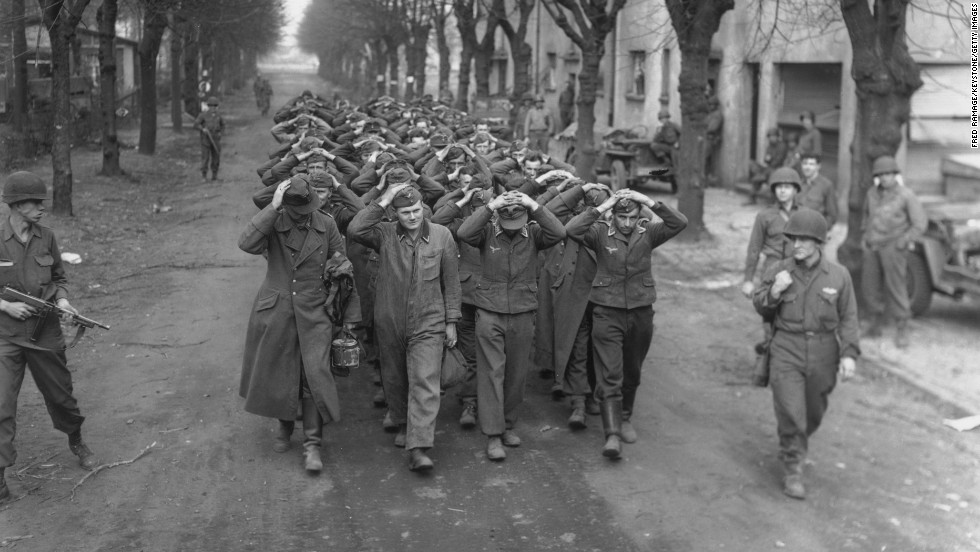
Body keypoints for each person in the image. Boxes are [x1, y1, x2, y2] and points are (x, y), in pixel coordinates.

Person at [238, 175, 355, 474]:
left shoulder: (326, 224)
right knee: (282, 371)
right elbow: (246, 243)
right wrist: (273, 206)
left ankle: (313, 444)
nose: (304, 216)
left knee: (313, 373)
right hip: (278, 308)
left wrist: (350, 320)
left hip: (315, 310)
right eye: (295, 210)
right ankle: (285, 427)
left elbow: (344, 269)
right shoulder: (273, 222)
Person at [565, 189, 688, 459]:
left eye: (632, 216)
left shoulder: (649, 232)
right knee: (610, 373)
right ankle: (612, 434)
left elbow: (680, 223)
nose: (627, 223)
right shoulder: (598, 233)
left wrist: (649, 201)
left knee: (632, 369)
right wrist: (603, 206)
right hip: (606, 312)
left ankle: (626, 416)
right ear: (613, 215)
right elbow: (571, 229)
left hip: (641, 311)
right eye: (621, 217)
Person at [0, 172, 100, 503]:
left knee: (61, 397)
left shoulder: (48, 237)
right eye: (35, 202)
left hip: (45, 334)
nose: (43, 207)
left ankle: (76, 438)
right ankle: (0, 478)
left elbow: (58, 277)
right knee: (1, 404)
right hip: (7, 335)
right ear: (16, 205)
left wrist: (64, 301)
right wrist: (6, 306)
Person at [348, 184, 461, 472]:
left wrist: (451, 322)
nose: (412, 217)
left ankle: (419, 447)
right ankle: (401, 421)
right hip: (390, 319)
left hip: (429, 319)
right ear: (394, 213)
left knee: (425, 379)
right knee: (395, 377)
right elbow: (355, 229)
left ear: (424, 207)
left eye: (416, 210)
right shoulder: (384, 233)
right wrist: (382, 199)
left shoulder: (441, 236)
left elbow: (451, 282)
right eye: (405, 212)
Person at [753, 208, 859, 499]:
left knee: (813, 412)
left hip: (825, 351)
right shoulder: (779, 270)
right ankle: (793, 467)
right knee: (791, 410)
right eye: (792, 239)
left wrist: (849, 354)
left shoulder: (838, 276)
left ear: (819, 243)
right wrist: (774, 291)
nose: (796, 245)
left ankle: (794, 444)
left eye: (803, 240)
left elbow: (849, 317)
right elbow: (760, 305)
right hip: (786, 347)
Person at [457, 189, 566, 461]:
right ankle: (493, 435)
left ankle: (508, 425)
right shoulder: (486, 233)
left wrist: (534, 204)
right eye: (507, 225)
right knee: (492, 371)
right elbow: (463, 233)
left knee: (517, 373)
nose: (512, 230)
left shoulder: (535, 234)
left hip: (522, 310)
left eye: (517, 224)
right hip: (489, 311)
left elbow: (559, 232)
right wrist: (490, 206)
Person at [860, 155, 927, 348]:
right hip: (873, 244)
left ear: (895, 175)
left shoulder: (906, 195)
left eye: (889, 174)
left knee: (896, 286)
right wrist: (865, 236)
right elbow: (866, 217)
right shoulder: (871, 194)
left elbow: (920, 224)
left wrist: (903, 241)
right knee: (870, 285)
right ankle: (875, 323)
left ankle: (902, 326)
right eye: (881, 174)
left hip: (893, 245)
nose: (885, 178)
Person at [742, 167, 801, 383]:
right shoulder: (765, 216)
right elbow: (754, 249)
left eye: (787, 187)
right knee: (769, 315)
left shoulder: (803, 214)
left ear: (795, 189)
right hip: (773, 268)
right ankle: (767, 365)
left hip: (798, 269)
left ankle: (785, 363)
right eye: (778, 188)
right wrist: (748, 280)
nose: (782, 192)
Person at [747, 127, 788, 205]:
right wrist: (768, 161)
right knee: (752, 164)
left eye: (774, 136)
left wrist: (769, 161)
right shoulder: (769, 146)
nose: (772, 138)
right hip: (769, 168)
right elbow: (766, 159)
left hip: (778, 169)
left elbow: (778, 160)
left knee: (770, 177)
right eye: (770, 136)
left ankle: (773, 202)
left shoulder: (782, 146)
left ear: (777, 136)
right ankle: (751, 198)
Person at [798, 153, 838, 228]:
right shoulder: (798, 184)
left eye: (811, 164)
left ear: (818, 166)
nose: (807, 167)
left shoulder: (826, 185)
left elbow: (832, 215)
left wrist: (820, 230)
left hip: (815, 232)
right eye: (805, 164)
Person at [193, 96, 225, 181]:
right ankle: (204, 176)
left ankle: (215, 175)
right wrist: (203, 129)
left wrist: (220, 133)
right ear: (208, 106)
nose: (213, 108)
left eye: (215, 106)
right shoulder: (203, 115)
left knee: (216, 158)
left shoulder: (219, 115)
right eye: (211, 106)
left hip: (216, 140)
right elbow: (195, 125)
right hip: (206, 140)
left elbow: (223, 125)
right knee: (205, 158)